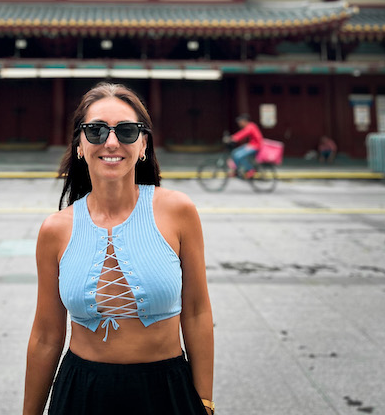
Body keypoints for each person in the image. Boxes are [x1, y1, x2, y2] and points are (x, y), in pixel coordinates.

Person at [23, 82, 214, 415]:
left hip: (167, 391)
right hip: (81, 393)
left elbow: (197, 312)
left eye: (126, 131)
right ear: (79, 145)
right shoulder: (55, 230)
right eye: (95, 130)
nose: (111, 142)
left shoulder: (179, 212)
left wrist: (205, 402)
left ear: (143, 145)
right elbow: (45, 335)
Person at [225, 113, 263, 178]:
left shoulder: (250, 126)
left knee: (239, 156)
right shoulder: (250, 126)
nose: (240, 124)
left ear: (245, 121)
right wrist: (233, 138)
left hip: (255, 146)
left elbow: (243, 133)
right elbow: (243, 132)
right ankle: (236, 170)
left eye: (240, 122)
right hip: (251, 145)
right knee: (234, 152)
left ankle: (251, 170)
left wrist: (233, 138)